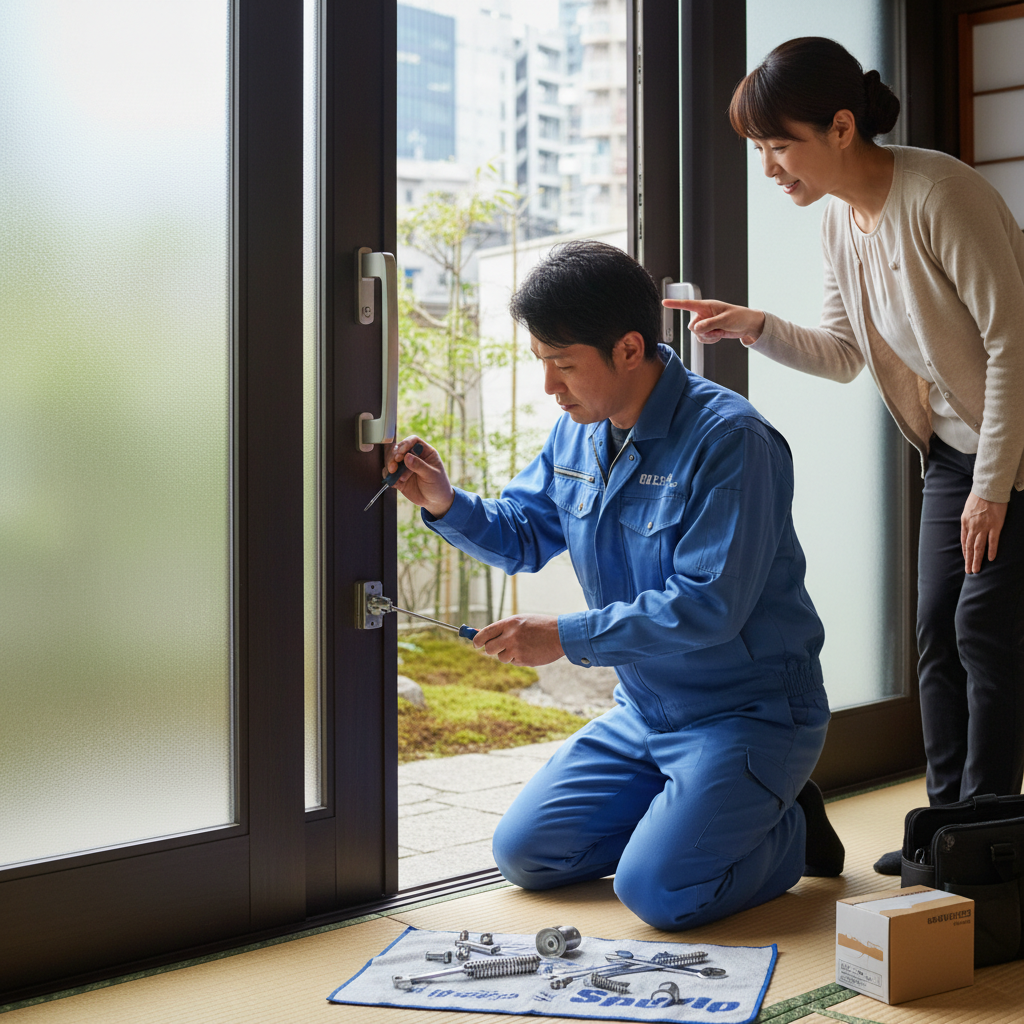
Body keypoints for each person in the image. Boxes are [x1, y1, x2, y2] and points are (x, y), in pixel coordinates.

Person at [385, 239, 844, 931]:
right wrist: (445, 501)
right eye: (542, 364)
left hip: (747, 715)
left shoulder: (732, 442)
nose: (550, 387)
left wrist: (565, 637)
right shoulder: (579, 431)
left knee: (658, 895)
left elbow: (707, 606)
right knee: (526, 856)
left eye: (563, 366)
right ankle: (705, 814)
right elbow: (523, 533)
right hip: (645, 713)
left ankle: (785, 830)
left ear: (630, 350)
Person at [665, 37, 1024, 876]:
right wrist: (754, 325)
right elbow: (842, 352)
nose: (769, 168)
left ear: (839, 126)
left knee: (984, 629)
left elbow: (1013, 346)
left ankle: (989, 842)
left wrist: (996, 488)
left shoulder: (942, 193)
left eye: (778, 144)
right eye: (759, 149)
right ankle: (942, 833)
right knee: (938, 627)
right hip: (954, 452)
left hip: (1012, 447)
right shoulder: (839, 218)